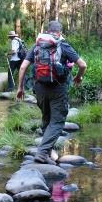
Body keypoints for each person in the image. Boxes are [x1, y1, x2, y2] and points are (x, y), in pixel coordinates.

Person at [16, 20, 86, 165]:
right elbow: (83, 65)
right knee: (58, 122)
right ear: (59, 32)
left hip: (40, 88)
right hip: (58, 89)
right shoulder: (63, 45)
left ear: (48, 31)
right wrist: (78, 77)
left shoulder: (37, 45)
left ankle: (46, 153)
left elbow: (23, 67)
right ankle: (42, 153)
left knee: (46, 119)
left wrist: (20, 88)